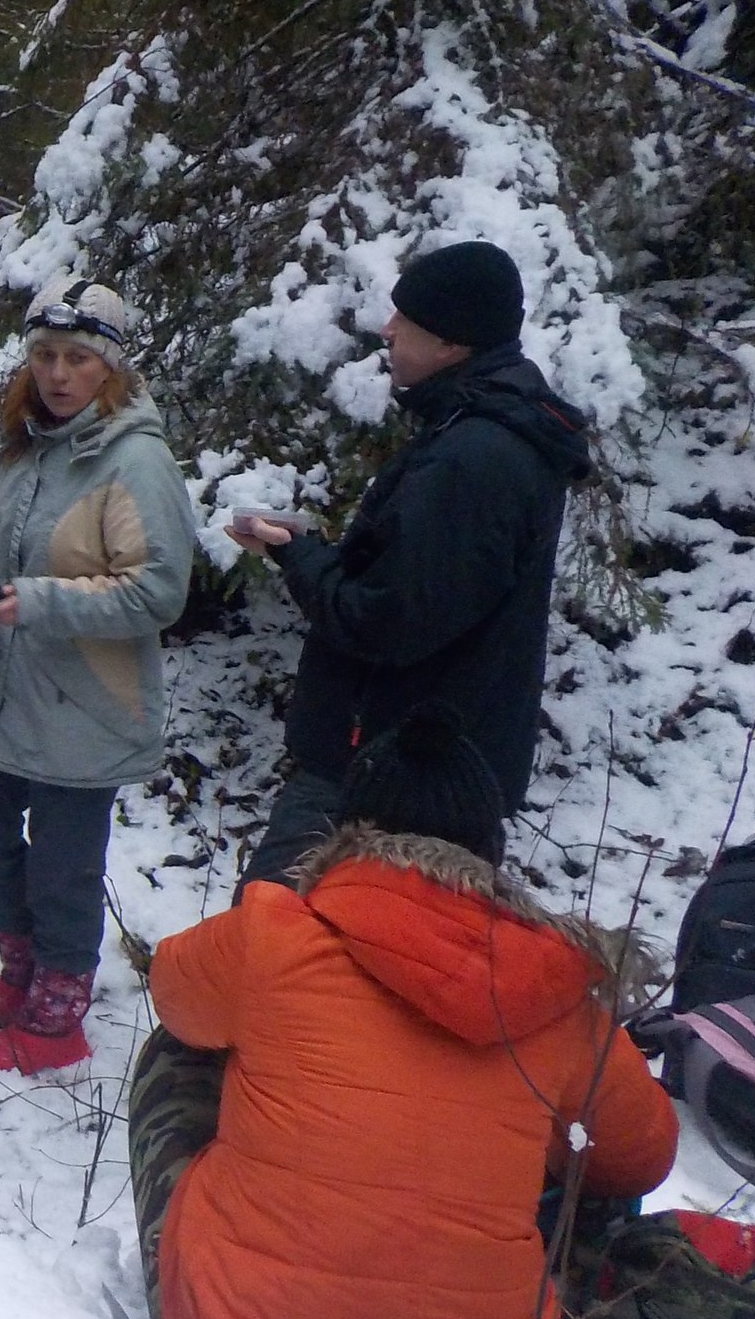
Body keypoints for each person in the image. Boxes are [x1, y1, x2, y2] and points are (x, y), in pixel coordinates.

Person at [131, 703, 677, 1319]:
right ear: (491, 849)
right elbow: (644, 1157)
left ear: (348, 835)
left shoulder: (273, 935)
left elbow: (172, 993)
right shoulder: (559, 990)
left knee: (178, 1049)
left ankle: (229, 1264)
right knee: (586, 1143)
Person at [229, 239, 590, 888]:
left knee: (270, 954)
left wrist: (296, 554)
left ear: (452, 342)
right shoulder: (474, 433)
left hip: (394, 780)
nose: (387, 330)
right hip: (416, 765)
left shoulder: (473, 461)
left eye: (407, 320)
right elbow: (425, 586)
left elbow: (388, 620)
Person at [0, 279, 198, 1076]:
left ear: (109, 367)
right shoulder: (16, 435)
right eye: (44, 354)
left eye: (78, 358)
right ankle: (21, 974)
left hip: (90, 705)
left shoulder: (135, 463)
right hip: (0, 689)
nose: (58, 373)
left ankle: (57, 1019)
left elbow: (158, 593)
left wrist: (39, 601)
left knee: (64, 869)